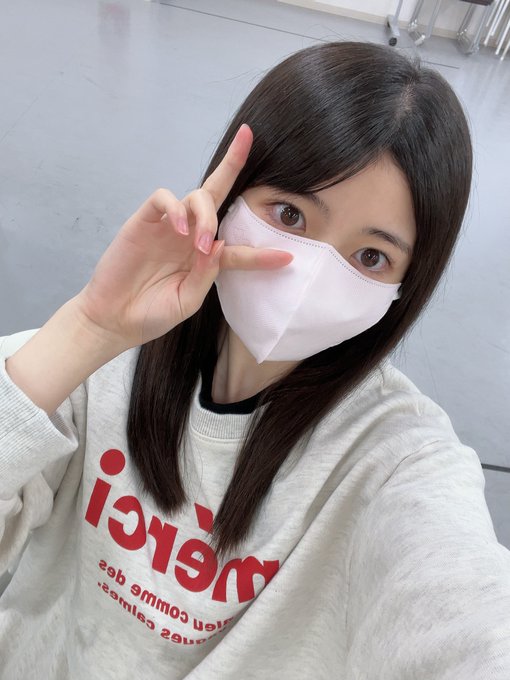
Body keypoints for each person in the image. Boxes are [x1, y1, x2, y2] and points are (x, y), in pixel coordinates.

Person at [0, 40, 508, 680]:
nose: (309, 276)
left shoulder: (397, 457)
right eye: (290, 214)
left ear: (407, 286)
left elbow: (470, 621)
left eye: (370, 256)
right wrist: (88, 328)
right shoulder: (103, 362)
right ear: (229, 195)